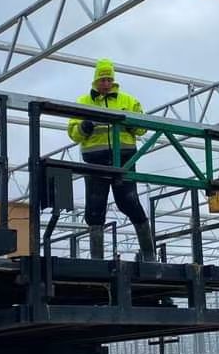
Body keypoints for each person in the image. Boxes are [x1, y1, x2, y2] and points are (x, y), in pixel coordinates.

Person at [67, 59, 157, 261]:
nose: (106, 83)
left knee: (129, 201)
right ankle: (96, 259)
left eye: (109, 79)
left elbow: (143, 128)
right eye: (102, 80)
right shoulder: (83, 102)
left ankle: (149, 255)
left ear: (113, 80)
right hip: (95, 158)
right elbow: (73, 132)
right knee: (95, 206)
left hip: (124, 158)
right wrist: (83, 127)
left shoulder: (129, 100)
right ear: (95, 81)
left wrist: (132, 123)